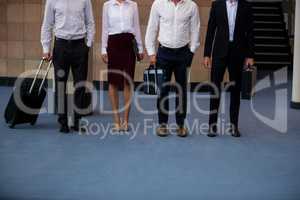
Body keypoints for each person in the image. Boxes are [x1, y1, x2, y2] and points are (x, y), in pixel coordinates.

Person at [145, 0, 200, 137]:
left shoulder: (191, 6)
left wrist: (191, 52)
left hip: (183, 53)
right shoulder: (158, 4)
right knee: (163, 90)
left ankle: (180, 125)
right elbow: (152, 28)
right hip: (163, 53)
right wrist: (151, 52)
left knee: (181, 90)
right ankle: (162, 124)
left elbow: (195, 30)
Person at [41, 0, 95, 133]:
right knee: (60, 85)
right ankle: (63, 122)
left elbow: (90, 22)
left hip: (80, 46)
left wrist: (88, 45)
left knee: (80, 85)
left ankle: (77, 122)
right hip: (60, 46)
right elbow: (47, 24)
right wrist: (46, 47)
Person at [203, 0, 254, 137]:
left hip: (238, 53)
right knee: (215, 88)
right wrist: (207, 54)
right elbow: (211, 30)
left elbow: (250, 32)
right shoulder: (216, 5)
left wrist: (250, 55)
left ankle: (234, 126)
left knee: (235, 90)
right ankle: (212, 126)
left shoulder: (246, 6)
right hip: (219, 52)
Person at [101, 0, 144, 132]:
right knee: (113, 82)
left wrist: (140, 47)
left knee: (127, 82)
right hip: (113, 44)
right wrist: (103, 48)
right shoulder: (107, 5)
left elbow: (136, 27)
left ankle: (126, 121)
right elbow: (105, 28)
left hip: (128, 44)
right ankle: (116, 121)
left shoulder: (133, 5)